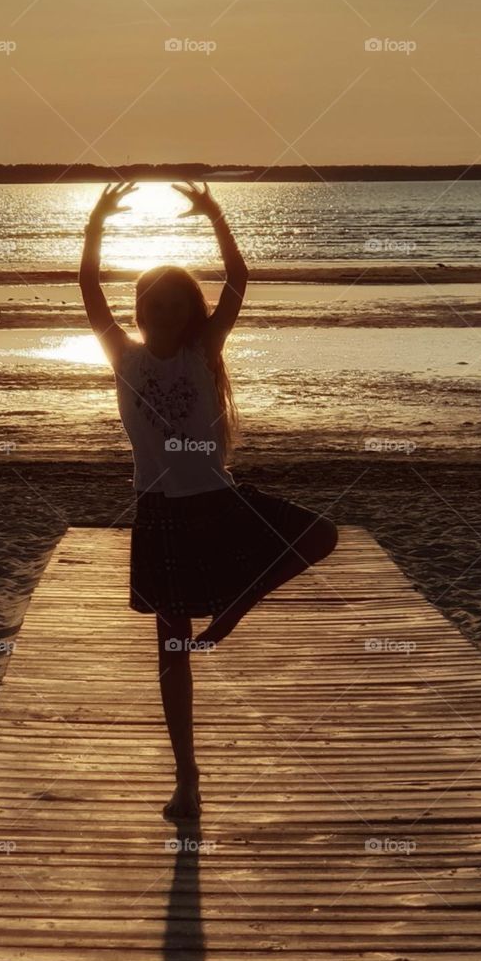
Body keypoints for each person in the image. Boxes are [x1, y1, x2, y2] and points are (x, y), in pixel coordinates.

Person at [80, 180, 338, 823]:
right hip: (161, 513)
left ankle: (229, 614)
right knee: (171, 650)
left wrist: (218, 215)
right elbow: (87, 289)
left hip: (216, 501)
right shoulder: (122, 356)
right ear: (138, 312)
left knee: (320, 535)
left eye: (174, 305)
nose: (161, 313)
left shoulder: (203, 350)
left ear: (189, 315)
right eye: (152, 304)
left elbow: (238, 281)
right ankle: (187, 777)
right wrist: (96, 222)